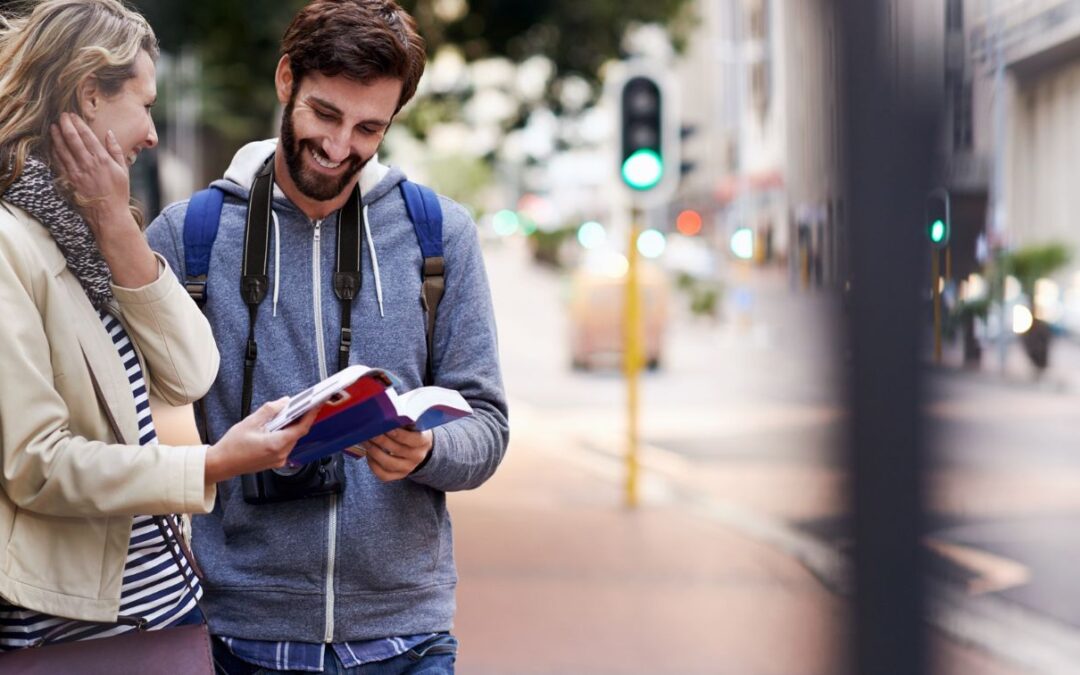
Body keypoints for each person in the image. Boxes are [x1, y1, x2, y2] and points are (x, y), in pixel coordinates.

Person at [145, 1, 509, 672]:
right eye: (326, 114)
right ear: (287, 80)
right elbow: (129, 430)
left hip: (408, 639)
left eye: (369, 128)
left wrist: (426, 450)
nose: (341, 147)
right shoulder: (184, 237)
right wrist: (223, 454)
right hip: (239, 638)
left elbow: (487, 426)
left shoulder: (439, 235)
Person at [0, 0, 317, 651]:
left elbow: (192, 371)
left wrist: (117, 226)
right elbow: (36, 463)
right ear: (91, 94)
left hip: (158, 605)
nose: (151, 133)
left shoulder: (87, 228)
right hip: (75, 627)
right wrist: (210, 463)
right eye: (144, 104)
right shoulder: (11, 244)